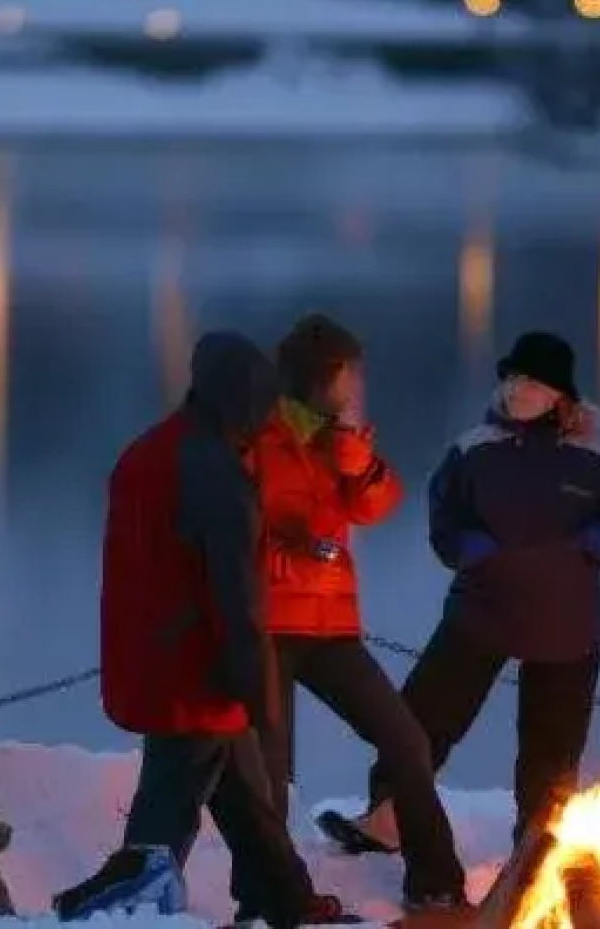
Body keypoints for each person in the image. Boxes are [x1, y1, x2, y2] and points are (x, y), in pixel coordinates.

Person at [53, 331, 357, 929]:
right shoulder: (217, 473)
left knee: (248, 797)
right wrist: (260, 691)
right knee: (167, 812)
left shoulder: (150, 452)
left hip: (148, 651)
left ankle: (289, 901)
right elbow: (237, 594)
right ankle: (107, 912)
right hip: (197, 665)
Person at [329, 331, 600, 850]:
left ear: (559, 395)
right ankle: (389, 815)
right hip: (481, 611)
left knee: (552, 747)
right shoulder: (475, 450)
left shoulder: (599, 460)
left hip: (566, 624)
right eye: (512, 378)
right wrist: (467, 547)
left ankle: (537, 843)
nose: (516, 389)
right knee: (423, 717)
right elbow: (444, 514)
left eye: (531, 381)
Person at [250, 314, 470, 913]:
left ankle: (436, 883)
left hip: (330, 630)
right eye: (349, 376)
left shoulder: (336, 440)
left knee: (405, 739)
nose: (356, 388)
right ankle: (273, 898)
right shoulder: (257, 439)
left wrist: (354, 456)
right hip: (266, 626)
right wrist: (297, 550)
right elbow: (231, 534)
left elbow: (377, 506)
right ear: (322, 378)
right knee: (271, 773)